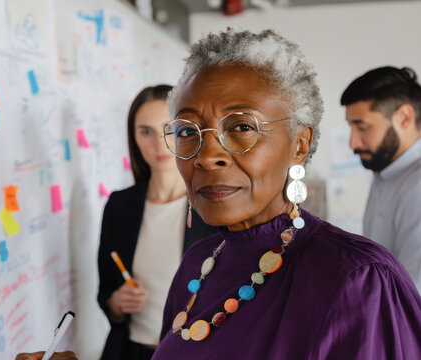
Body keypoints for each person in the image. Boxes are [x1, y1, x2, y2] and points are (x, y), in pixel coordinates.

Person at [150, 29, 421, 359]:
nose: (207, 156)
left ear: (299, 144)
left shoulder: (357, 281)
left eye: (241, 127)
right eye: (187, 131)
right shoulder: (198, 263)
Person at [97, 85, 215, 360]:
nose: (159, 141)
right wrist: (116, 303)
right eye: (145, 131)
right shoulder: (119, 206)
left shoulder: (214, 205)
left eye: (170, 128)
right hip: (129, 352)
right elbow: (105, 292)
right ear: (133, 137)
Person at [341, 66, 421, 292]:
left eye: (362, 127)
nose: (353, 143)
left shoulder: (417, 185)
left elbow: (412, 299)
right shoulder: (386, 171)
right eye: (351, 127)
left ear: (404, 118)